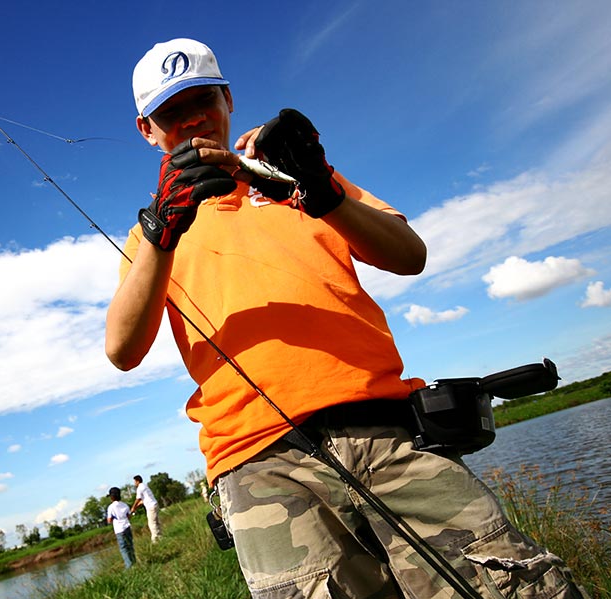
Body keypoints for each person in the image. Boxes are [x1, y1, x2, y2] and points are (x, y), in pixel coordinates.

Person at [105, 38, 586, 599]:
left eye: (203, 98)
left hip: (386, 427)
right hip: (256, 461)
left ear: (228, 98)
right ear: (148, 130)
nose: (191, 118)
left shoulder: (294, 180)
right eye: (170, 112)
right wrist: (164, 230)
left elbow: (410, 255)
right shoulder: (147, 237)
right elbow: (122, 349)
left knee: (509, 584)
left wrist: (317, 186)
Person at [106, 486, 136, 568]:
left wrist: (113, 519)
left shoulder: (111, 507)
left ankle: (129, 566)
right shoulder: (125, 505)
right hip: (127, 527)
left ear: (112, 497)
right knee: (130, 546)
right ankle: (134, 562)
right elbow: (129, 516)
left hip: (119, 530)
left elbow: (109, 520)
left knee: (123, 548)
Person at [131, 474, 162, 542]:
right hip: (155, 504)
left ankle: (155, 540)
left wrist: (133, 507)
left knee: (152, 523)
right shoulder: (145, 486)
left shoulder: (140, 488)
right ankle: (160, 537)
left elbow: (138, 499)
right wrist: (135, 507)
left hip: (151, 507)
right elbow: (142, 501)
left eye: (134, 482)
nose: (134, 483)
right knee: (157, 522)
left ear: (137, 481)